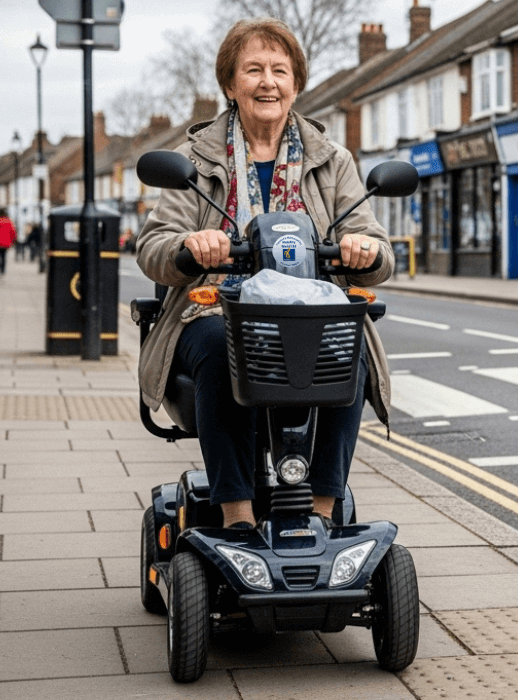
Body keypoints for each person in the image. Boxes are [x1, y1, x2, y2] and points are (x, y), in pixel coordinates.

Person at [134, 18, 394, 530]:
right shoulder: (195, 159)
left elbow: (380, 250)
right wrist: (190, 247)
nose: (268, 82)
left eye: (280, 70)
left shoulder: (332, 161)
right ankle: (236, 516)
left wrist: (365, 251)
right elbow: (152, 247)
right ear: (230, 85)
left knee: (351, 344)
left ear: (295, 84)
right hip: (213, 306)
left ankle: (322, 511)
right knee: (221, 342)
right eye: (252, 70)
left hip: (308, 310)